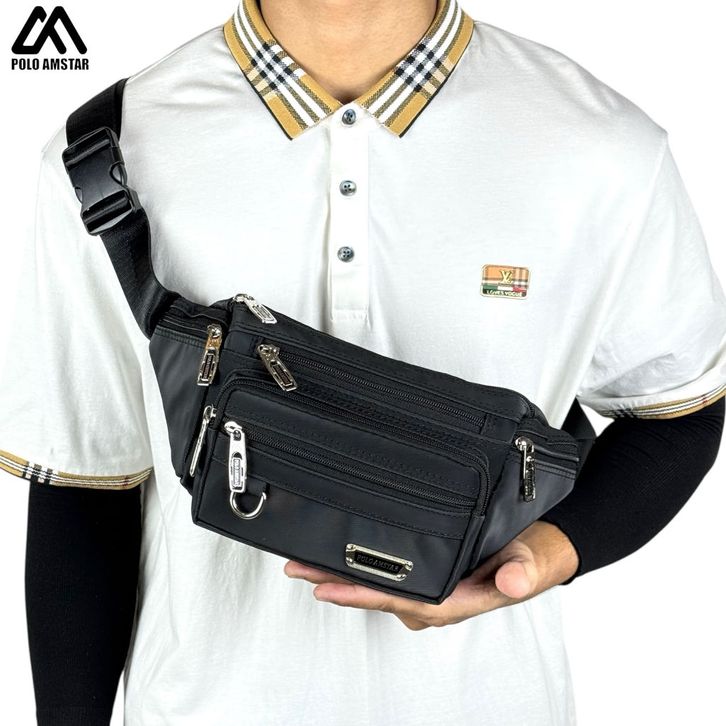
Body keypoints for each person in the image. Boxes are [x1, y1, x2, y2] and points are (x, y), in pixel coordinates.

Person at [1, 0, 724, 724]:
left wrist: (543, 557)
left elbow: (679, 409)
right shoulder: (108, 151)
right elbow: (86, 483)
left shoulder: (599, 144)